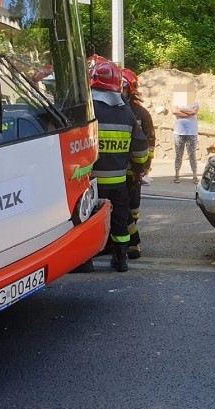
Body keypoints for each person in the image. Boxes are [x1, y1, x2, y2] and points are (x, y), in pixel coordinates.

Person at [77, 58, 148, 272]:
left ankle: (85, 261)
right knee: (119, 220)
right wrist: (138, 167)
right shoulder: (126, 112)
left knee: (87, 219)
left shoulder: (86, 111)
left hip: (91, 181)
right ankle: (121, 260)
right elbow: (141, 147)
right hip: (118, 182)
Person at [121, 68, 155, 260]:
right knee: (119, 206)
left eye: (122, 87)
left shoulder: (141, 113)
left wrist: (144, 165)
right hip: (115, 168)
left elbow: (150, 141)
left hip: (133, 171)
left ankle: (130, 240)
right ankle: (128, 241)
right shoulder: (113, 112)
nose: (118, 92)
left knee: (133, 207)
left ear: (130, 89)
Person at [171, 83, 200, 184]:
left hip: (192, 132)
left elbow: (194, 112)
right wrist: (188, 112)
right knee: (179, 154)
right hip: (179, 132)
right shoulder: (177, 101)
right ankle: (177, 174)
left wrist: (182, 110)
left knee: (192, 154)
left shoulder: (195, 102)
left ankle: (195, 175)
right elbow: (174, 111)